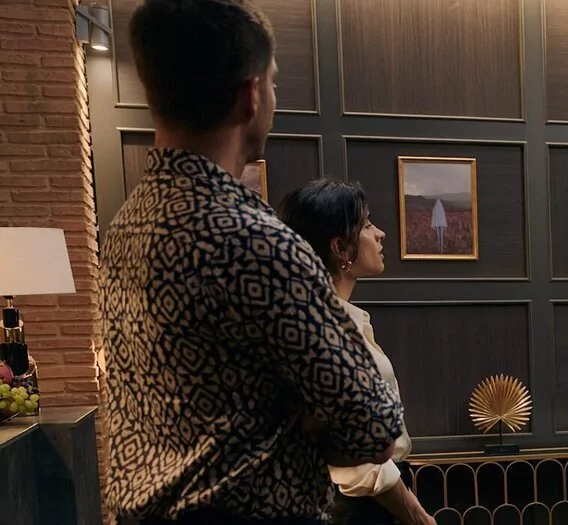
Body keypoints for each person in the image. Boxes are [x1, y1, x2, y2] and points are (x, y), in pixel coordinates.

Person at [99, 1, 404, 523]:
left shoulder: (126, 225)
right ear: (251, 94)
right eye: (275, 83)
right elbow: (374, 429)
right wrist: (305, 414)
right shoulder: (257, 243)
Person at [277, 180, 435, 525]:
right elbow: (358, 464)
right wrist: (417, 515)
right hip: (361, 507)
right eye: (366, 225)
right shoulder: (324, 330)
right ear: (340, 247)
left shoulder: (338, 319)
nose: (380, 234)